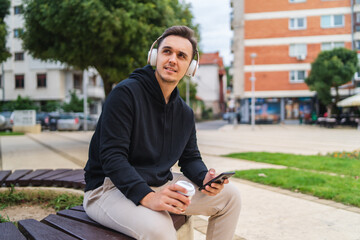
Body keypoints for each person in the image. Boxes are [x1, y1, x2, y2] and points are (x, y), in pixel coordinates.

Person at [83, 26, 241, 240]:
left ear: (190, 67)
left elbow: (190, 158)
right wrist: (148, 197)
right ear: (155, 56)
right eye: (167, 51)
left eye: (181, 55)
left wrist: (205, 177)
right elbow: (112, 157)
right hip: (108, 189)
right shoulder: (125, 94)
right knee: (160, 227)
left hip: (157, 184)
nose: (172, 59)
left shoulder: (184, 112)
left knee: (230, 198)